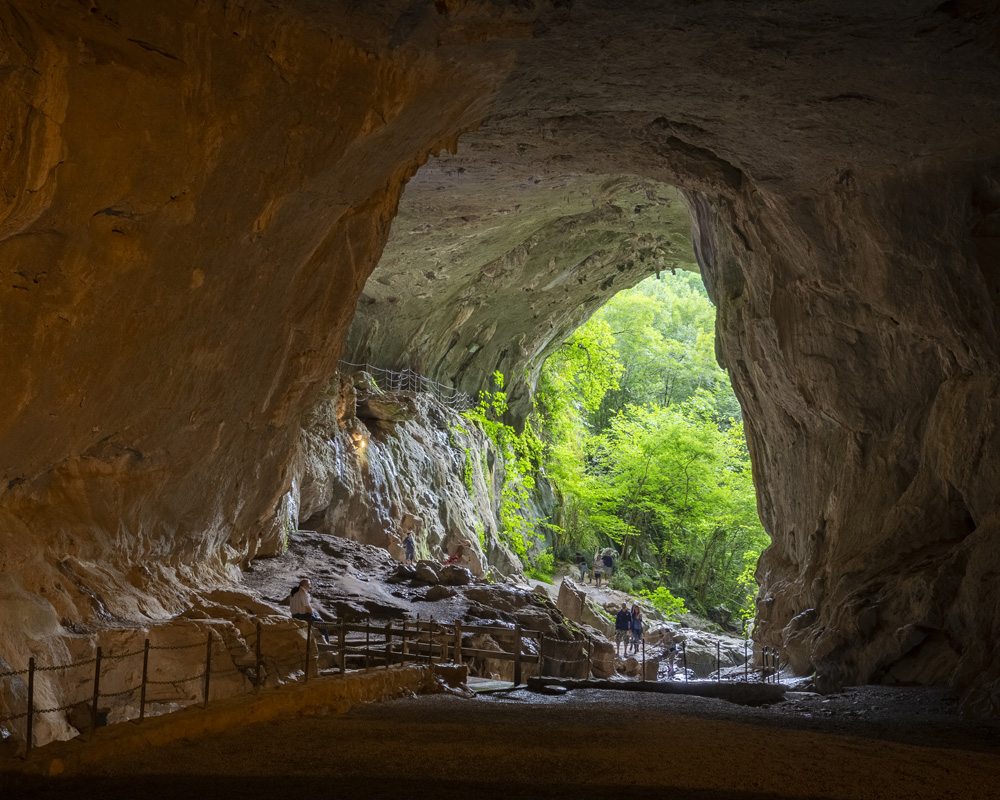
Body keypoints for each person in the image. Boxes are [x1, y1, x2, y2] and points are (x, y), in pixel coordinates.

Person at [289, 578, 329, 643]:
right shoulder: (302, 592)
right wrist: (312, 613)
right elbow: (307, 606)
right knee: (322, 623)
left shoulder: (294, 591)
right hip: (303, 616)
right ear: (305, 585)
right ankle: (327, 644)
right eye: (309, 585)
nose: (309, 587)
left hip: (294, 616)